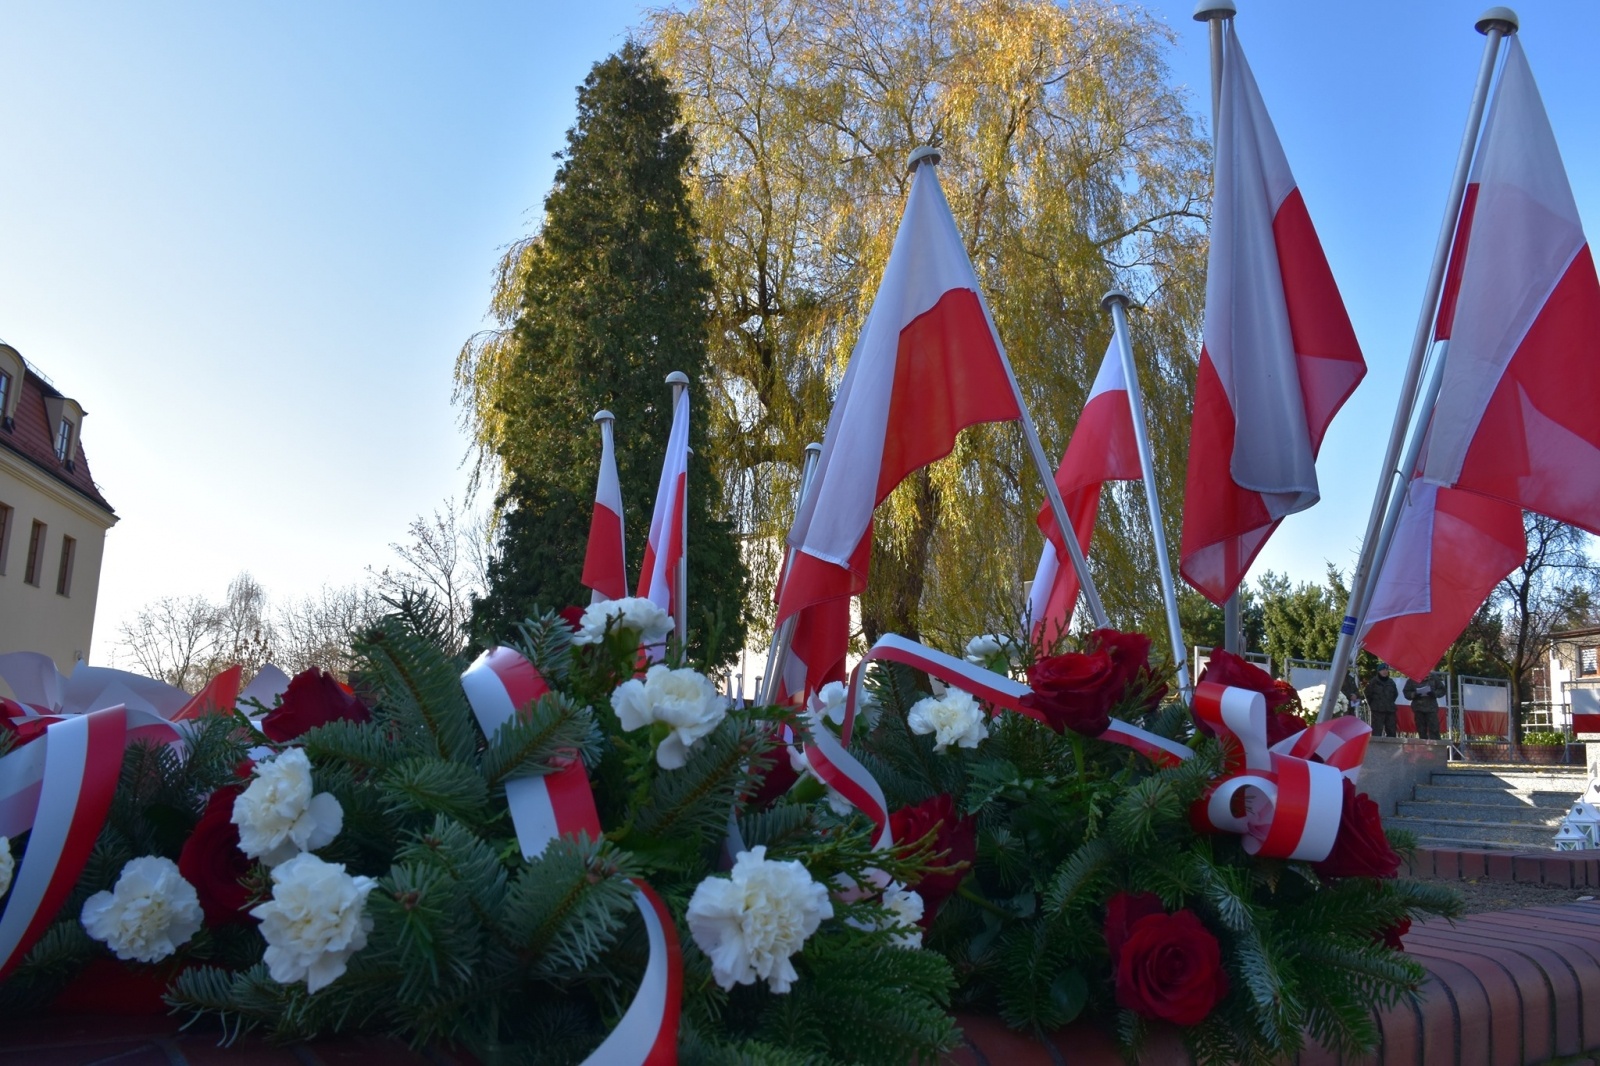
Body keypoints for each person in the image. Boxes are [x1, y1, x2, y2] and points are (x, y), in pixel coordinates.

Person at [1404, 667, 1447, 740]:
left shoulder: (1434, 678)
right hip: (1418, 709)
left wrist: (1434, 694)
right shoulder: (1412, 679)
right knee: (1421, 730)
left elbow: (1442, 689)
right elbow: (1406, 692)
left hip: (1431, 709)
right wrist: (1414, 694)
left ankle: (1435, 746)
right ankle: (1423, 746)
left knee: (1434, 729)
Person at [1365, 663, 1399, 738]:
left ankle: (1391, 745)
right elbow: (1368, 695)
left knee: (1391, 731)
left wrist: (1388, 702)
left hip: (1390, 710)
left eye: (1386, 670)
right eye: (1382, 670)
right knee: (1377, 731)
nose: (1385, 671)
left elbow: (1395, 694)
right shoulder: (1373, 682)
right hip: (1377, 710)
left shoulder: (1391, 682)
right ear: (1379, 671)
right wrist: (1374, 705)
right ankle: (1376, 745)